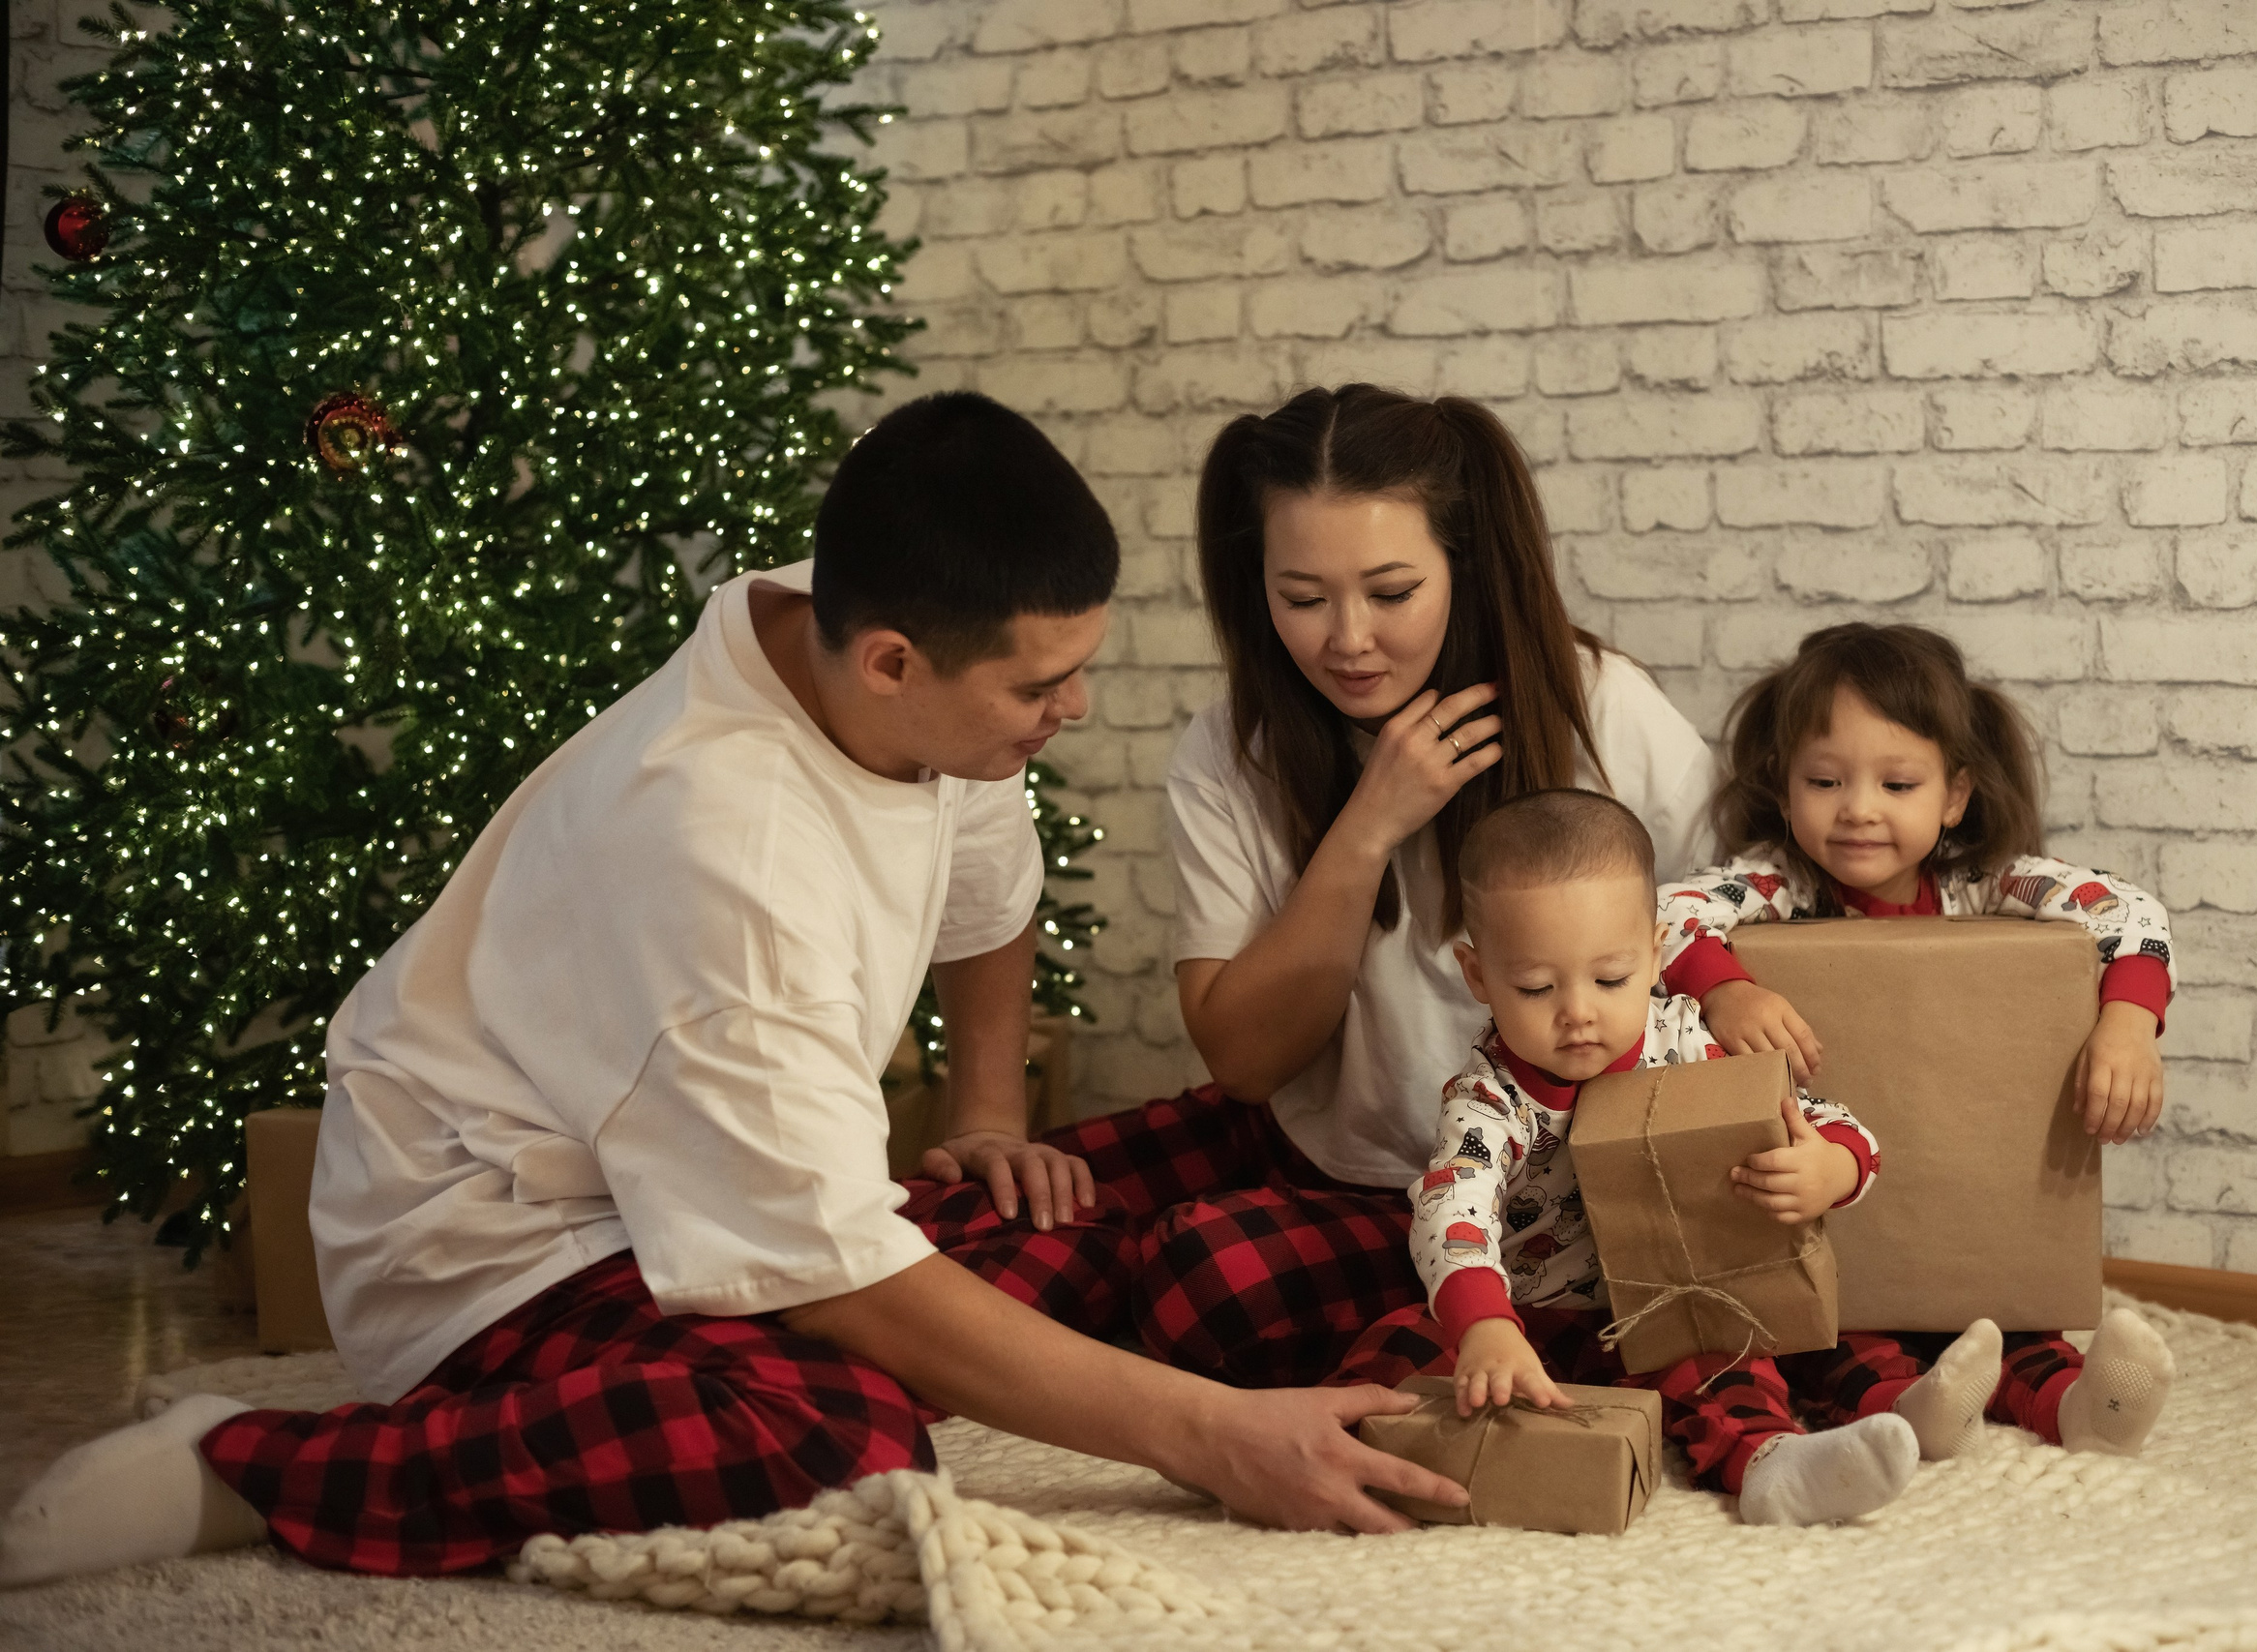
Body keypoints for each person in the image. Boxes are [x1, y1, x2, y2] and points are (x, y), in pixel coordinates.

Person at [0, 393, 1464, 1589]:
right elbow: (832, 1268)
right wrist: (1209, 1439)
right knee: (836, 1435)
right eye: (1042, 687)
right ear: (894, 662)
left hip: (693, 1183)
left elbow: (989, 882)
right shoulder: (723, 847)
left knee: (1182, 1160)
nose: (1071, 710)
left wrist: (984, 1103)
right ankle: (253, 1462)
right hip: (498, 1245)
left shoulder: (871, 673)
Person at [1045, 384, 1717, 1391]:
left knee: (1203, 1284)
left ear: (1465, 567)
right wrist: (1365, 829)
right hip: (1337, 1171)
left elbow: (1731, 932)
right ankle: (1460, 1320)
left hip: (1566, 1194)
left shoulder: (1603, 713)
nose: (1346, 640)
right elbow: (1244, 1062)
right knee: (995, 1212)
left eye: (1391, 593)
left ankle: (1490, 1320)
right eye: (1302, 599)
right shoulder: (1231, 751)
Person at [1324, 788, 1970, 1528]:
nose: (1579, 1012)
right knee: (1400, 1343)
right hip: (1531, 1316)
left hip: (1669, 1306)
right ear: (1478, 977)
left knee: (1734, 1353)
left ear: (1656, 953)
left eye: (1610, 978)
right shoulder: (1488, 1098)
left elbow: (1823, 1117)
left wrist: (1832, 1167)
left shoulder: (1685, 1044)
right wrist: (1485, 1325)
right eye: (1535, 986)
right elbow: (1450, 1210)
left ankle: (1773, 1461)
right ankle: (1347, 1448)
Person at [1654, 620, 2179, 1458]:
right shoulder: (1778, 886)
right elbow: (1666, 912)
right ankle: (1915, 1406)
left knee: (2014, 1322)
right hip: (1831, 1229)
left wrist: (2126, 1023)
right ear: (1786, 793)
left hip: (1970, 1207)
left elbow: (2129, 911)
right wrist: (1728, 988)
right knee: (1842, 1333)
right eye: (1825, 780)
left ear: (1955, 797)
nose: (1859, 807)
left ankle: (2077, 1404)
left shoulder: (1986, 885)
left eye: (1898, 784)